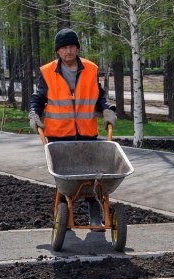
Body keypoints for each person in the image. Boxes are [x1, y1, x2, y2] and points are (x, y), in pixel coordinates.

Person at [29, 28, 117, 221]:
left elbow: (98, 96)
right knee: (64, 181)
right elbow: (38, 98)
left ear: (77, 48)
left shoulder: (91, 69)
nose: (68, 51)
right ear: (58, 51)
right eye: (64, 48)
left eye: (72, 47)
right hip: (59, 136)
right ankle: (63, 210)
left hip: (86, 134)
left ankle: (94, 208)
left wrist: (107, 109)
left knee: (91, 176)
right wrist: (34, 114)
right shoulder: (47, 72)